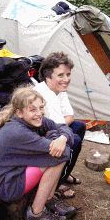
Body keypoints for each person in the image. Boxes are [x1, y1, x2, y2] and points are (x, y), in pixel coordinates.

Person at [0, 87, 77, 220]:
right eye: (33, 109)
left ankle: (47, 200)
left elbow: (62, 127)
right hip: (6, 186)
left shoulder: (32, 119)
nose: (39, 113)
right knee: (59, 157)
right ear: (20, 112)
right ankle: (36, 213)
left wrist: (62, 138)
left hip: (16, 171)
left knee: (58, 154)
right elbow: (63, 152)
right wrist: (56, 137)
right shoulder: (17, 131)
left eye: (41, 107)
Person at [34, 52, 86, 199]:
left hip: (52, 130)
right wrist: (62, 127)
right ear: (48, 76)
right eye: (61, 75)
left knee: (79, 126)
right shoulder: (43, 94)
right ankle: (56, 184)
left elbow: (70, 117)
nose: (66, 79)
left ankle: (64, 173)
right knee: (74, 140)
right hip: (38, 138)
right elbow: (57, 124)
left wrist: (62, 126)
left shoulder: (58, 89)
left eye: (68, 74)